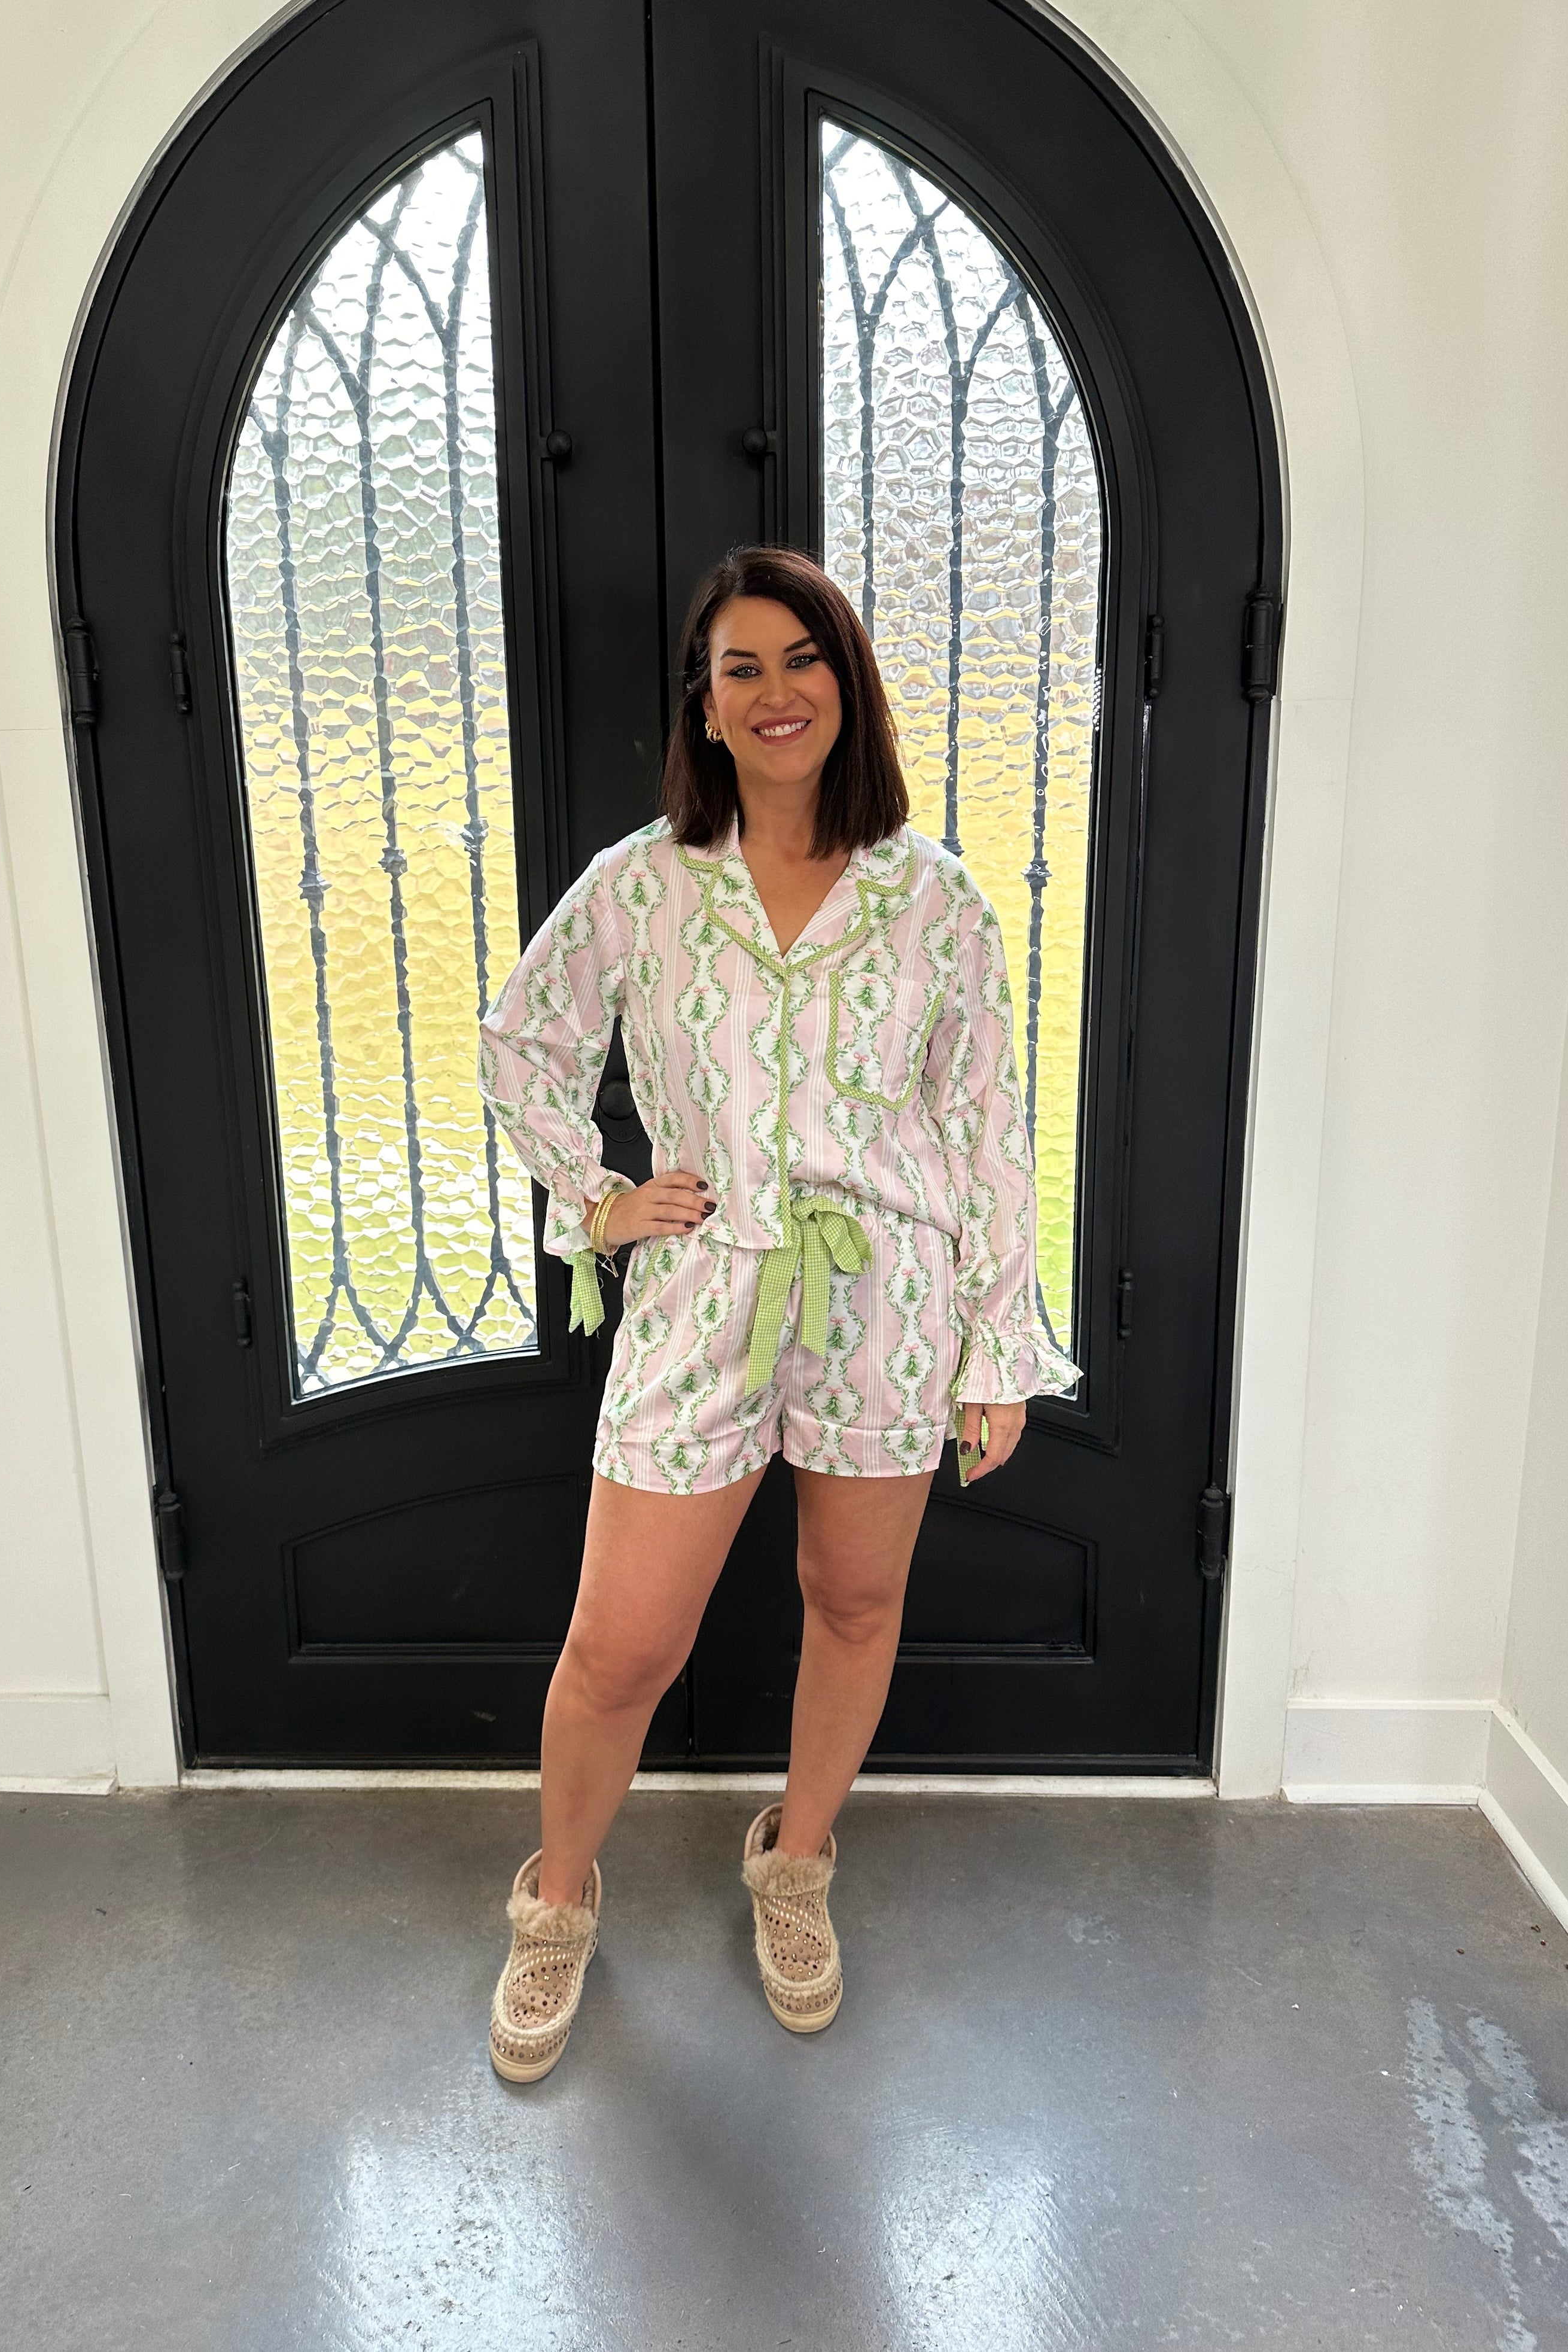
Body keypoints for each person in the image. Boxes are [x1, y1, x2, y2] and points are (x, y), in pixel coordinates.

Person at [476, 546, 1076, 2080]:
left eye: (802, 659)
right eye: (740, 667)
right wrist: (597, 1199)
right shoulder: (646, 881)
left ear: (846, 682)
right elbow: (521, 1040)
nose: (774, 691)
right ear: (707, 703)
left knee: (854, 1602)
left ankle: (796, 1862)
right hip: (703, 1294)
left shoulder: (934, 899)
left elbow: (985, 1126)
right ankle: (557, 1896)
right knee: (620, 1643)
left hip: (889, 1299)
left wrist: (998, 1345)